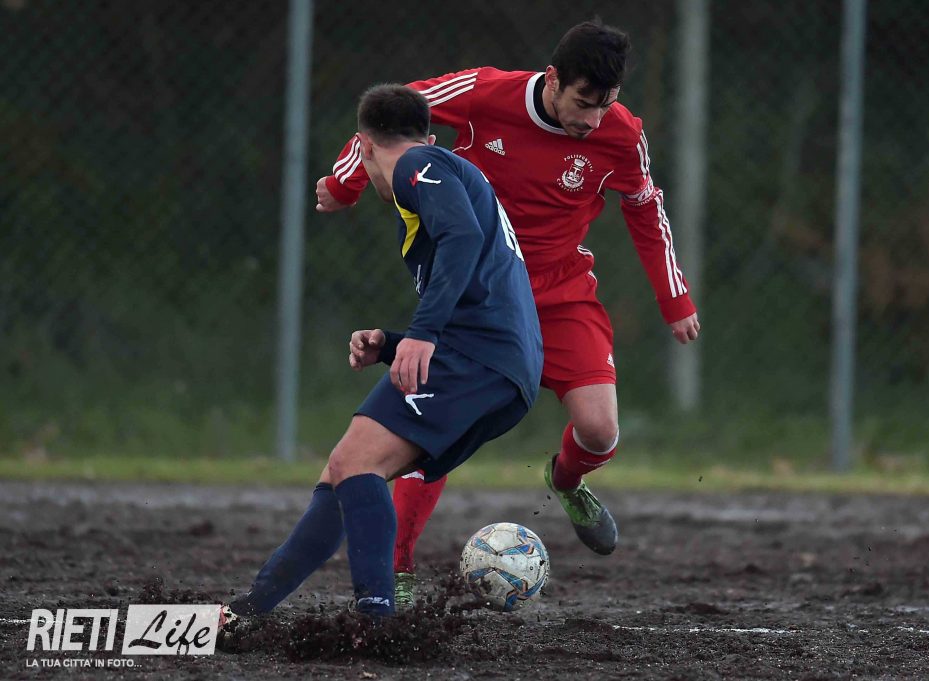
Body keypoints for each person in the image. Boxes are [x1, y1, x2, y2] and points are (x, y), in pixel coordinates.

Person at [315, 19, 700, 609]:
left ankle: (566, 480)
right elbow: (389, 118)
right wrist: (346, 184)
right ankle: (400, 569)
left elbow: (647, 208)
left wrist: (674, 299)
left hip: (562, 292)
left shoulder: (622, 134)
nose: (594, 119)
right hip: (481, 294)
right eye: (584, 103)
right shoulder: (484, 92)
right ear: (553, 79)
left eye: (606, 105)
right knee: (428, 429)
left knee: (600, 431)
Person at [223, 84, 542, 620]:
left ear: (363, 145)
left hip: (479, 358)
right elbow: (477, 283)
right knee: (341, 473)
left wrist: (422, 332)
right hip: (492, 359)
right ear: (428, 135)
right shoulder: (438, 170)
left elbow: (462, 238)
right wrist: (392, 343)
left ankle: (377, 623)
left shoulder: (418, 164)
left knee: (356, 462)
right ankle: (249, 612)